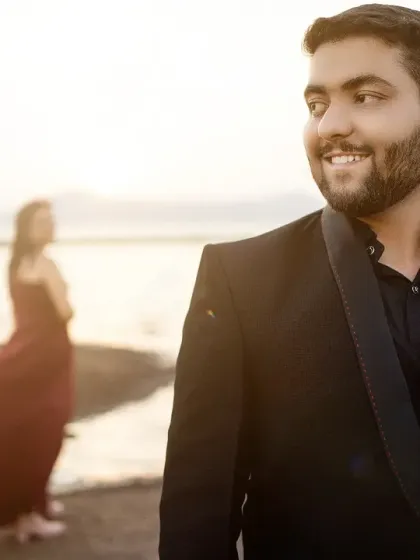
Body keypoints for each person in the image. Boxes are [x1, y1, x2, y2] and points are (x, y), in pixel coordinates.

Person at [159, 4, 420, 558]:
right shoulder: (241, 281)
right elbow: (195, 523)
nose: (330, 125)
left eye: (366, 96)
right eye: (316, 104)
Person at [0, 199, 74, 543]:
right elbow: (65, 313)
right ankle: (27, 517)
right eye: (43, 221)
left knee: (23, 431)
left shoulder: (14, 265)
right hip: (47, 359)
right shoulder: (46, 265)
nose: (51, 226)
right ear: (28, 229)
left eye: (52, 219)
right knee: (44, 432)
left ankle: (34, 503)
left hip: (21, 353)